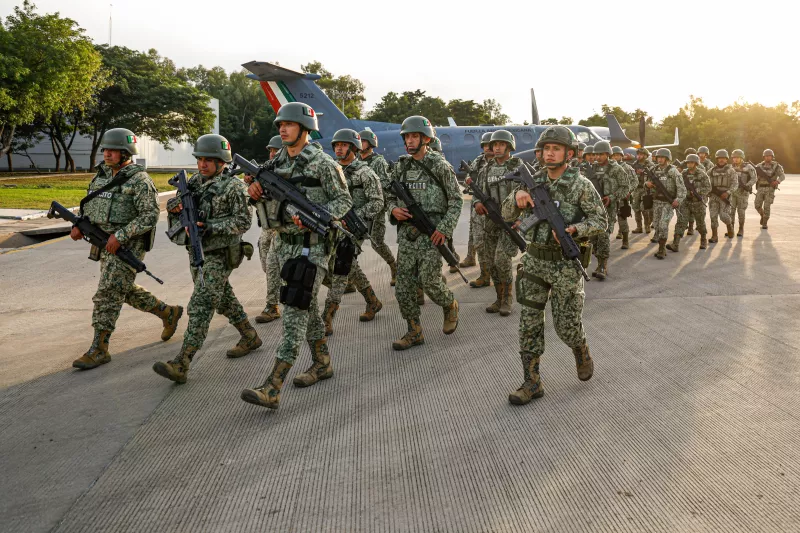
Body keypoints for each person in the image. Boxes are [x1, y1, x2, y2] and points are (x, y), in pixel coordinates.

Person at [240, 102, 352, 409]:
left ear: (305, 129)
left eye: (288, 125)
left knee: (294, 311)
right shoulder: (276, 163)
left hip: (313, 244)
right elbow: (262, 195)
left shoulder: (323, 164)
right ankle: (322, 363)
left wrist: (320, 216)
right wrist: (253, 192)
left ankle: (273, 386)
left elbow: (344, 201)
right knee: (307, 309)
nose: (282, 129)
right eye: (279, 126)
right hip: (283, 242)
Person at [506, 125, 607, 405]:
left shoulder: (581, 186)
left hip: (565, 267)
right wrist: (516, 198)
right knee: (529, 324)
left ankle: (580, 348)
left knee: (566, 326)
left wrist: (575, 229)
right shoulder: (531, 180)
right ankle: (532, 382)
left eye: (556, 149)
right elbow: (505, 212)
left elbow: (601, 222)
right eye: (546, 149)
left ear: (569, 153)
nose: (550, 154)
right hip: (535, 262)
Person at [70, 128, 182, 371]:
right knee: (123, 289)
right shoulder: (101, 175)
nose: (107, 154)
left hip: (127, 244)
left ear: (125, 153)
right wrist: (79, 224)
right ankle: (167, 313)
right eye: (106, 150)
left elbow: (150, 215)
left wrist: (120, 236)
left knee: (108, 293)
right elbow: (91, 204)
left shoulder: (139, 180)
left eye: (113, 150)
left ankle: (99, 349)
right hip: (102, 242)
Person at [153, 134, 259, 384]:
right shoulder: (192, 184)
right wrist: (175, 207)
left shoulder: (234, 187)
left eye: (208, 160)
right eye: (200, 159)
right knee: (223, 299)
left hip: (220, 254)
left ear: (222, 162)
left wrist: (210, 226)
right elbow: (172, 207)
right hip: (196, 252)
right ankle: (249, 335)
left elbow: (243, 221)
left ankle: (182, 362)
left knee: (201, 304)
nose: (202, 164)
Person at [385, 115, 462, 350]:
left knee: (430, 281)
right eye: (407, 136)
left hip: (432, 234)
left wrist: (444, 229)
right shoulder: (401, 166)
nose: (409, 141)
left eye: (414, 136)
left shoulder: (440, 166)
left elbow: (456, 200)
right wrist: (393, 209)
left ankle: (450, 305)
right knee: (404, 287)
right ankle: (414, 331)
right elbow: (388, 194)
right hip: (408, 234)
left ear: (426, 139)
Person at [322, 129, 384, 336]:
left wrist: (354, 217)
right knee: (351, 268)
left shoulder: (365, 173)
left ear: (354, 148)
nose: (339, 148)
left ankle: (327, 317)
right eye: (336, 145)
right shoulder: (331, 170)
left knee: (341, 270)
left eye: (343, 144)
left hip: (351, 230)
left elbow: (377, 202)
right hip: (332, 228)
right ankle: (372, 301)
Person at [472, 129, 522, 315]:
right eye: (495, 144)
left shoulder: (517, 167)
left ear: (509, 146)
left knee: (502, 259)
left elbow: (527, 193)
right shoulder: (486, 169)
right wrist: (477, 203)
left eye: (501, 144)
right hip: (491, 222)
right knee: (490, 262)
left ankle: (508, 299)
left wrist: (520, 219)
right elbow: (479, 192)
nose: (497, 147)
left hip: (510, 222)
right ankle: (498, 298)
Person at [359, 129, 398, 283]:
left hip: (376, 209)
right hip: (360, 209)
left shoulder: (378, 162)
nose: (360, 143)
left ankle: (394, 267)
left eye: (363, 141)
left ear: (371, 144)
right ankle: (349, 279)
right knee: (352, 244)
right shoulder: (356, 161)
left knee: (377, 243)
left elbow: (385, 185)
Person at [252, 135, 283, 324]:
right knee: (267, 267)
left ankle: (272, 306)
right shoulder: (266, 171)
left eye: (275, 150)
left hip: (280, 228)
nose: (271, 153)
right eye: (270, 150)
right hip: (266, 228)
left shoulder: (284, 172)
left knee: (273, 266)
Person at [588, 141, 630, 279]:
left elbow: (625, 187)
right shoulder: (591, 168)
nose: (598, 157)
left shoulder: (616, 169)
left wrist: (611, 197)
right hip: (592, 209)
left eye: (601, 154)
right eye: (596, 154)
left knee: (604, 236)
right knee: (592, 239)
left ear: (607, 154)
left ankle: (602, 266)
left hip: (609, 209)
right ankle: (599, 260)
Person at [461, 132, 494, 269]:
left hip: (493, 202)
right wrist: (470, 183)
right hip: (478, 200)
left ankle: (491, 266)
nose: (487, 148)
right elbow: (467, 179)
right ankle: (470, 256)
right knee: (473, 229)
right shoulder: (478, 161)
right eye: (485, 145)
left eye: (490, 145)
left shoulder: (501, 161)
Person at [646, 148, 686, 259]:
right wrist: (647, 184)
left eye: (662, 157)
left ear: (667, 158)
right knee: (657, 227)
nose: (660, 159)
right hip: (656, 202)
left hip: (668, 203)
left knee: (663, 225)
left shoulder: (673, 171)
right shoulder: (653, 169)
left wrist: (677, 200)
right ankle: (661, 245)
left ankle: (661, 249)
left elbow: (682, 188)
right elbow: (647, 181)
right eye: (658, 157)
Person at [669, 154, 711, 251]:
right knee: (681, 222)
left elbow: (708, 187)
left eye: (691, 162)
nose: (689, 164)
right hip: (685, 202)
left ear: (696, 163)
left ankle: (703, 240)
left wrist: (697, 191)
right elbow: (677, 185)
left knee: (700, 223)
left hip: (698, 203)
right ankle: (675, 244)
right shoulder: (683, 174)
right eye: (687, 162)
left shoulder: (702, 174)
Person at [707, 149, 737, 242]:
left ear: (726, 159)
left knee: (723, 215)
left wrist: (728, 192)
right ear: (717, 159)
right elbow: (706, 182)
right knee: (713, 216)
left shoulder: (731, 170)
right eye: (719, 158)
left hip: (725, 196)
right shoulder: (711, 171)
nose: (721, 160)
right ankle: (714, 236)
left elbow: (735, 184)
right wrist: (707, 192)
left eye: (723, 158)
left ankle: (729, 227)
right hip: (713, 196)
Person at [754, 149, 785, 229]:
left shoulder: (776, 166)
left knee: (767, 206)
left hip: (770, 188)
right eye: (766, 156)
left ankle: (765, 223)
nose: (767, 157)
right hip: (760, 188)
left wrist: (777, 181)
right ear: (764, 157)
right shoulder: (759, 166)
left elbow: (782, 176)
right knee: (757, 205)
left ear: (772, 157)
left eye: (769, 156)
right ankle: (762, 215)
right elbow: (753, 175)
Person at [729, 149, 757, 237]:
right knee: (731, 211)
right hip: (732, 192)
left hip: (743, 192)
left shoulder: (748, 167)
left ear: (741, 158)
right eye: (734, 158)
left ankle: (741, 228)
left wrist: (747, 186)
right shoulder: (730, 167)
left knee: (741, 211)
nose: (735, 159)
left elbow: (754, 178)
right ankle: (731, 228)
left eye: (737, 157)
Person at [630, 148, 655, 234]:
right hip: (636, 189)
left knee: (645, 208)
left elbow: (654, 177)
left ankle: (647, 225)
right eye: (638, 154)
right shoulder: (634, 165)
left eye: (641, 154)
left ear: (645, 155)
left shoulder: (650, 165)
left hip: (646, 189)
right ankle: (639, 227)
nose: (639, 156)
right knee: (636, 208)